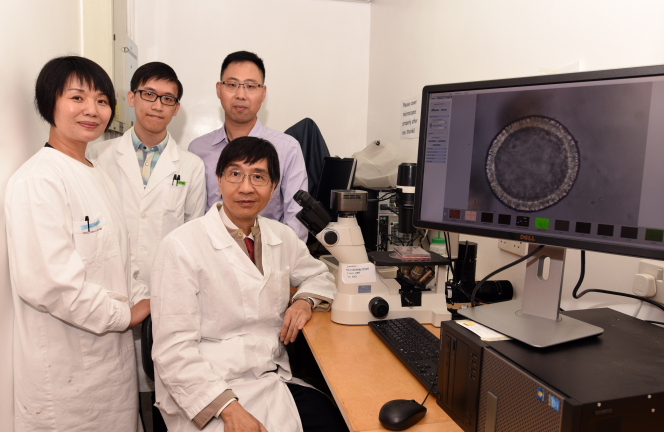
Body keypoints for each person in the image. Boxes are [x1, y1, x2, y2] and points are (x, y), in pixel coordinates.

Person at [151, 137, 348, 431]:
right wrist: (229, 410)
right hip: (205, 389)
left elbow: (319, 274)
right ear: (219, 180)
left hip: (267, 377)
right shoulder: (181, 246)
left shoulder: (280, 235)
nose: (246, 188)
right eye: (235, 174)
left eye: (258, 177)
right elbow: (173, 351)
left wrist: (304, 300)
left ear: (273, 187)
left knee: (336, 421)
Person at [5, 56, 150, 431]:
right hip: (65, 373)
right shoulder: (38, 180)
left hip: (110, 369)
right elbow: (50, 284)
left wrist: (144, 297)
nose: (92, 110)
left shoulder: (96, 173)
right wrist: (126, 315)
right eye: (77, 98)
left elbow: (119, 256)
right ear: (48, 102)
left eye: (102, 100)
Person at [87, 61, 206, 429]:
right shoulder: (99, 156)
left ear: (176, 108)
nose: (157, 105)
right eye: (149, 94)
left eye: (167, 98)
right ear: (132, 97)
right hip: (112, 292)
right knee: (120, 394)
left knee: (165, 390)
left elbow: (193, 235)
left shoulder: (190, 166)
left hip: (164, 296)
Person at [188, 51, 309, 242]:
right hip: (212, 258)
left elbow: (296, 219)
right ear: (219, 89)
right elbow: (195, 215)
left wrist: (278, 261)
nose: (241, 95)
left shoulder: (287, 148)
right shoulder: (197, 149)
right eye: (232, 85)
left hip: (269, 260)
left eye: (251, 86)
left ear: (263, 93)